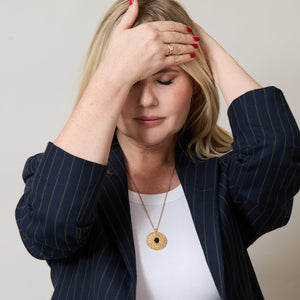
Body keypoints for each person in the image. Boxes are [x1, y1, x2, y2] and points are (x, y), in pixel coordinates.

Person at [15, 0, 299, 299]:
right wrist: (111, 74)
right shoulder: (58, 178)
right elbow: (48, 233)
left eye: (165, 79)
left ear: (194, 86)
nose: (147, 100)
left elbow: (276, 149)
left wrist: (203, 45)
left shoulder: (224, 183)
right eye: (132, 83)